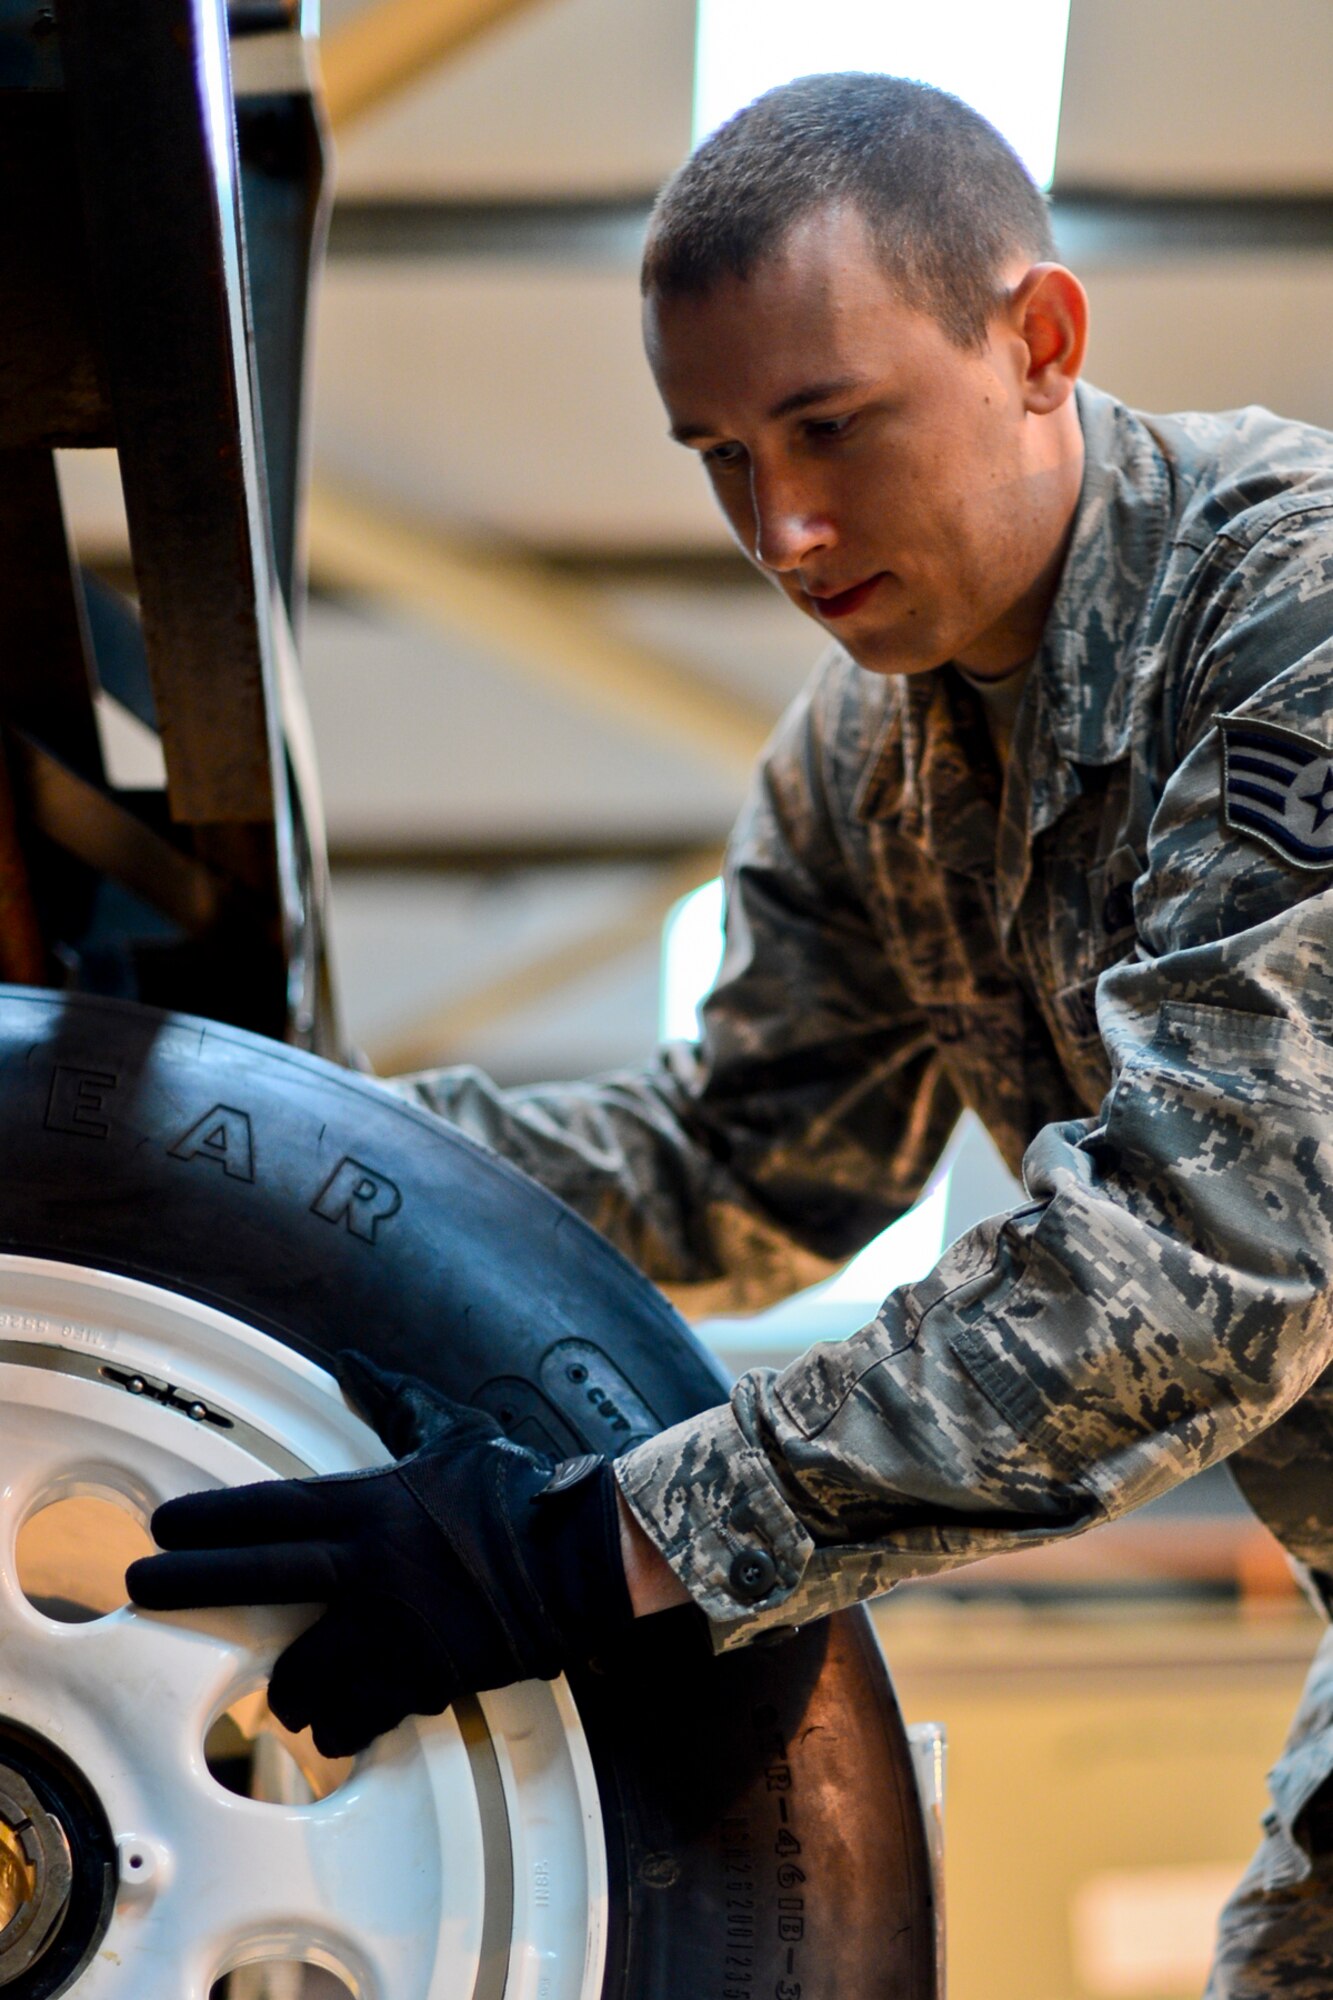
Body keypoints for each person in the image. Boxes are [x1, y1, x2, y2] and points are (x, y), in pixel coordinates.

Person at [128, 74, 1333, 1994]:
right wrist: (254, 1148)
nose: (778, 525)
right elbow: (742, 1173)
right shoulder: (870, 763)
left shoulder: (1292, 613)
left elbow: (1225, 1255)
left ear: (1038, 342)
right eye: (715, 454)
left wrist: (591, 1545)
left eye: (830, 426)